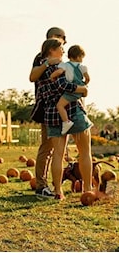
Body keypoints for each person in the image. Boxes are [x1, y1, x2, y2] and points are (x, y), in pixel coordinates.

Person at [38, 38, 92, 200]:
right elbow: (62, 85)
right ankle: (88, 189)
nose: (63, 51)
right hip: (73, 111)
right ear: (51, 50)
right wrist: (82, 88)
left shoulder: (41, 69)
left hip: (52, 115)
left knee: (58, 155)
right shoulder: (58, 66)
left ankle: (58, 191)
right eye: (60, 48)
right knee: (85, 152)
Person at [29, 27, 67, 197]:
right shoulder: (42, 58)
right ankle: (41, 186)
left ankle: (57, 184)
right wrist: (47, 64)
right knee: (48, 147)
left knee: (59, 148)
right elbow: (32, 77)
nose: (64, 41)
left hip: (62, 107)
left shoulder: (60, 58)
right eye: (61, 37)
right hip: (48, 107)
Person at [50, 45, 90, 135]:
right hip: (79, 90)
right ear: (79, 56)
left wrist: (52, 76)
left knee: (60, 105)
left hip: (71, 91)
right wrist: (84, 85)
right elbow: (87, 78)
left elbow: (59, 72)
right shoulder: (82, 67)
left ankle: (66, 122)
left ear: (69, 56)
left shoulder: (65, 65)